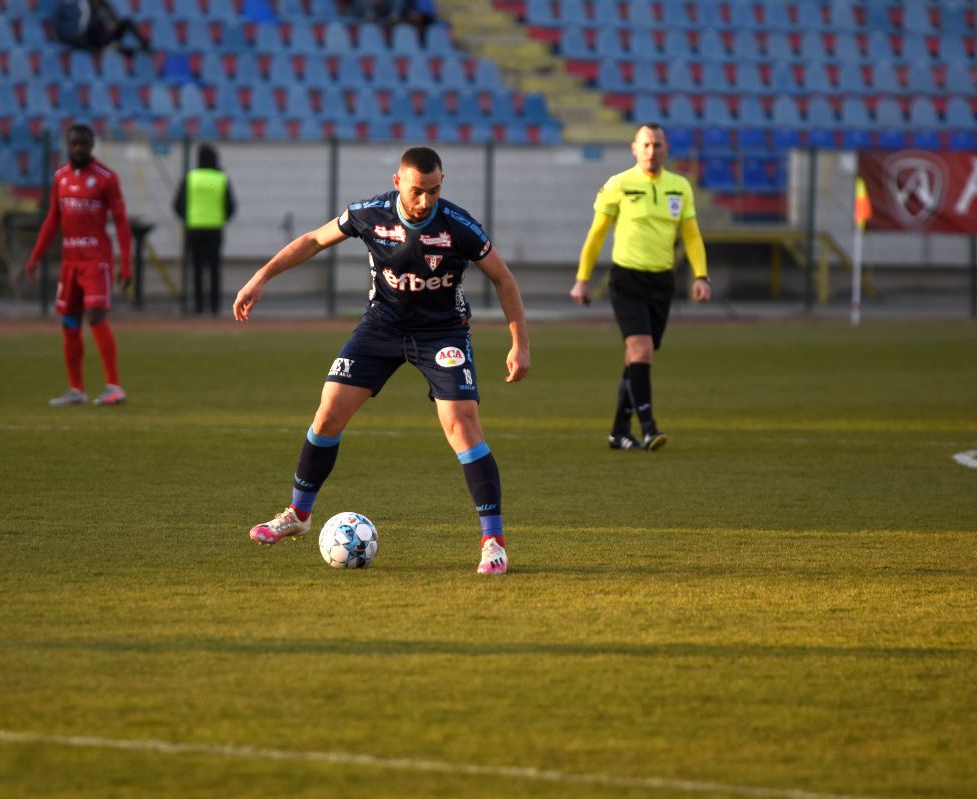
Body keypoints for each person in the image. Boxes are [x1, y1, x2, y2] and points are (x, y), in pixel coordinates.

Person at [233, 146, 530, 575]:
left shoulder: (458, 225)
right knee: (329, 412)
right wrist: (260, 277)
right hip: (381, 328)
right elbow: (314, 240)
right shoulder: (370, 214)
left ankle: (493, 543)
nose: (426, 200)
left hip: (441, 333)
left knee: (462, 426)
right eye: (417, 191)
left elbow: (503, 279)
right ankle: (298, 515)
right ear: (397, 183)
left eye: (434, 190)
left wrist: (518, 342)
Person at [569, 122, 711, 451]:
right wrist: (582, 279)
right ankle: (648, 427)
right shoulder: (618, 184)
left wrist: (701, 275)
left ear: (666, 149)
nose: (651, 151)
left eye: (657, 145)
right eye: (646, 145)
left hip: (662, 281)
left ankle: (619, 431)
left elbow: (691, 234)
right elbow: (597, 234)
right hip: (627, 280)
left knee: (638, 357)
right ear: (634, 148)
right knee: (642, 351)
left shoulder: (680, 187)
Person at [25, 124, 133, 407]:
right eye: (74, 143)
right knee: (69, 322)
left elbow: (121, 222)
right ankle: (76, 389)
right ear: (68, 144)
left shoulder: (106, 178)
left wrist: (127, 264)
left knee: (95, 316)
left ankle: (114, 386)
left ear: (92, 145)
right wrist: (35, 256)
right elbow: (52, 219)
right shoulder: (60, 177)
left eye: (84, 143)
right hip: (70, 261)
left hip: (96, 260)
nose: (79, 148)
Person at [173, 143, 236, 316]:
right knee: (215, 268)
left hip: (194, 228)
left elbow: (177, 204)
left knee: (197, 268)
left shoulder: (190, 178)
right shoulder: (221, 178)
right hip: (215, 228)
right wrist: (220, 218)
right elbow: (231, 206)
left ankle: (199, 306)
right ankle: (215, 306)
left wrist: (188, 218)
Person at [52, 0, 151, 54]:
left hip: (106, 35)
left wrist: (113, 24)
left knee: (127, 22)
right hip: (92, 36)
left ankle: (144, 44)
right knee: (96, 24)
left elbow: (115, 18)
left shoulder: (105, 5)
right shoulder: (82, 5)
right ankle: (116, 48)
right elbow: (82, 24)